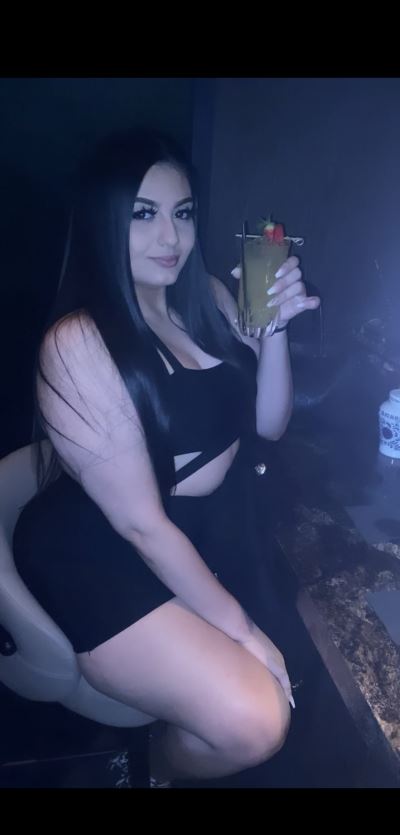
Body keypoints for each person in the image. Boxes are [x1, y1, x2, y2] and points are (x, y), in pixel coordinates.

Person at [12, 128, 320, 787]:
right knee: (257, 720)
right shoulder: (78, 340)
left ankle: (160, 749)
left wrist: (274, 334)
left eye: (182, 213)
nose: (169, 237)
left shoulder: (204, 295)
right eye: (143, 215)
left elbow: (266, 424)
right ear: (103, 222)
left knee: (297, 671)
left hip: (192, 530)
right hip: (103, 548)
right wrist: (242, 631)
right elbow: (139, 524)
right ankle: (154, 774)